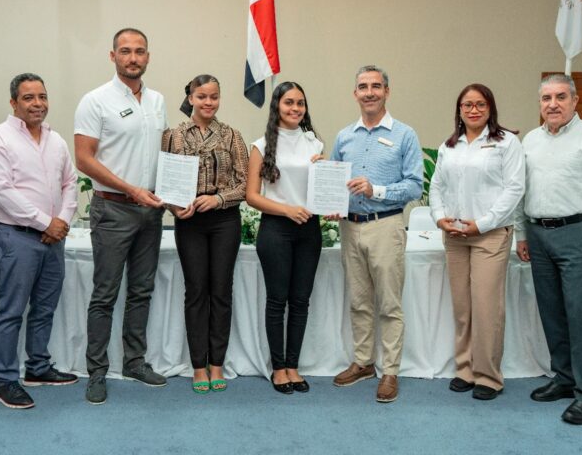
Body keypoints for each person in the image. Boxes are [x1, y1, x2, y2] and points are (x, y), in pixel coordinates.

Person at [515, 74, 582, 425]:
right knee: (552, 313)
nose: (553, 104)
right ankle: (563, 379)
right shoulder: (530, 140)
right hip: (539, 235)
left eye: (561, 97)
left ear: (575, 101)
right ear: (540, 103)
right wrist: (521, 234)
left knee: (580, 316)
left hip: (579, 234)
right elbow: (521, 191)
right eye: (546, 98)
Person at [75, 28, 168, 405]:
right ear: (113, 56)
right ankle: (96, 371)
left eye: (140, 51)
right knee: (105, 293)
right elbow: (84, 159)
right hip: (113, 208)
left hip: (151, 211)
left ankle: (135, 361)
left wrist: (169, 194)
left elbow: (164, 154)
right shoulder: (95, 100)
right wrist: (131, 189)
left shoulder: (158, 100)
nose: (133, 58)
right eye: (125, 51)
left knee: (142, 291)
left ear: (148, 56)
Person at [0, 73, 79, 409]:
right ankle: (5, 381)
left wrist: (62, 220)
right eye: (29, 98)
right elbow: (1, 193)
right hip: (17, 237)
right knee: (11, 311)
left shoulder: (57, 140)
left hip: (54, 239)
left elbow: (70, 183)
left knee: (45, 308)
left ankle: (37, 367)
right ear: (13, 103)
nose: (38, 104)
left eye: (42, 97)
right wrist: (45, 222)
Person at [330, 65, 422, 403]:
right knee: (359, 301)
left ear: (387, 91)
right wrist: (330, 201)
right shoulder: (344, 137)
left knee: (389, 303)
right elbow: (333, 181)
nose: (369, 92)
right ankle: (364, 363)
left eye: (376, 86)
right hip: (350, 226)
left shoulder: (404, 134)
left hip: (386, 225)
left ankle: (391, 371)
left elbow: (414, 185)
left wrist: (376, 190)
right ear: (354, 93)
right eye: (363, 86)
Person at [429, 83, 525, 400]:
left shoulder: (506, 143)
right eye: (467, 104)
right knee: (463, 308)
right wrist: (440, 217)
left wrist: (481, 224)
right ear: (459, 110)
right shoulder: (449, 146)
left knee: (486, 308)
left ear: (490, 108)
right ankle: (465, 369)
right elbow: (437, 186)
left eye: (480, 104)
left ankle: (488, 376)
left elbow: (514, 190)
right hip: (455, 235)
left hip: (490, 235)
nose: (473, 110)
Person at [162, 74, 248, 394]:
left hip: (225, 220)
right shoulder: (174, 135)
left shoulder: (231, 136)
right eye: (202, 96)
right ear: (191, 98)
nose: (208, 102)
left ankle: (217, 364)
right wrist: (173, 207)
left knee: (221, 291)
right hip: (190, 222)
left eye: (214, 96)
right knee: (196, 291)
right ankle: (199, 365)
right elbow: (166, 179)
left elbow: (245, 183)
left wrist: (218, 198)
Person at [246, 82, 324, 395]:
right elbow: (251, 196)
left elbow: (322, 191)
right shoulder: (261, 145)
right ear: (277, 105)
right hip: (276, 230)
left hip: (309, 230)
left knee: (301, 301)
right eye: (289, 102)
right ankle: (278, 368)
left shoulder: (315, 143)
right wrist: (287, 210)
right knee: (278, 301)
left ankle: (294, 365)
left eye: (300, 103)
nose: (295, 109)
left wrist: (325, 171)